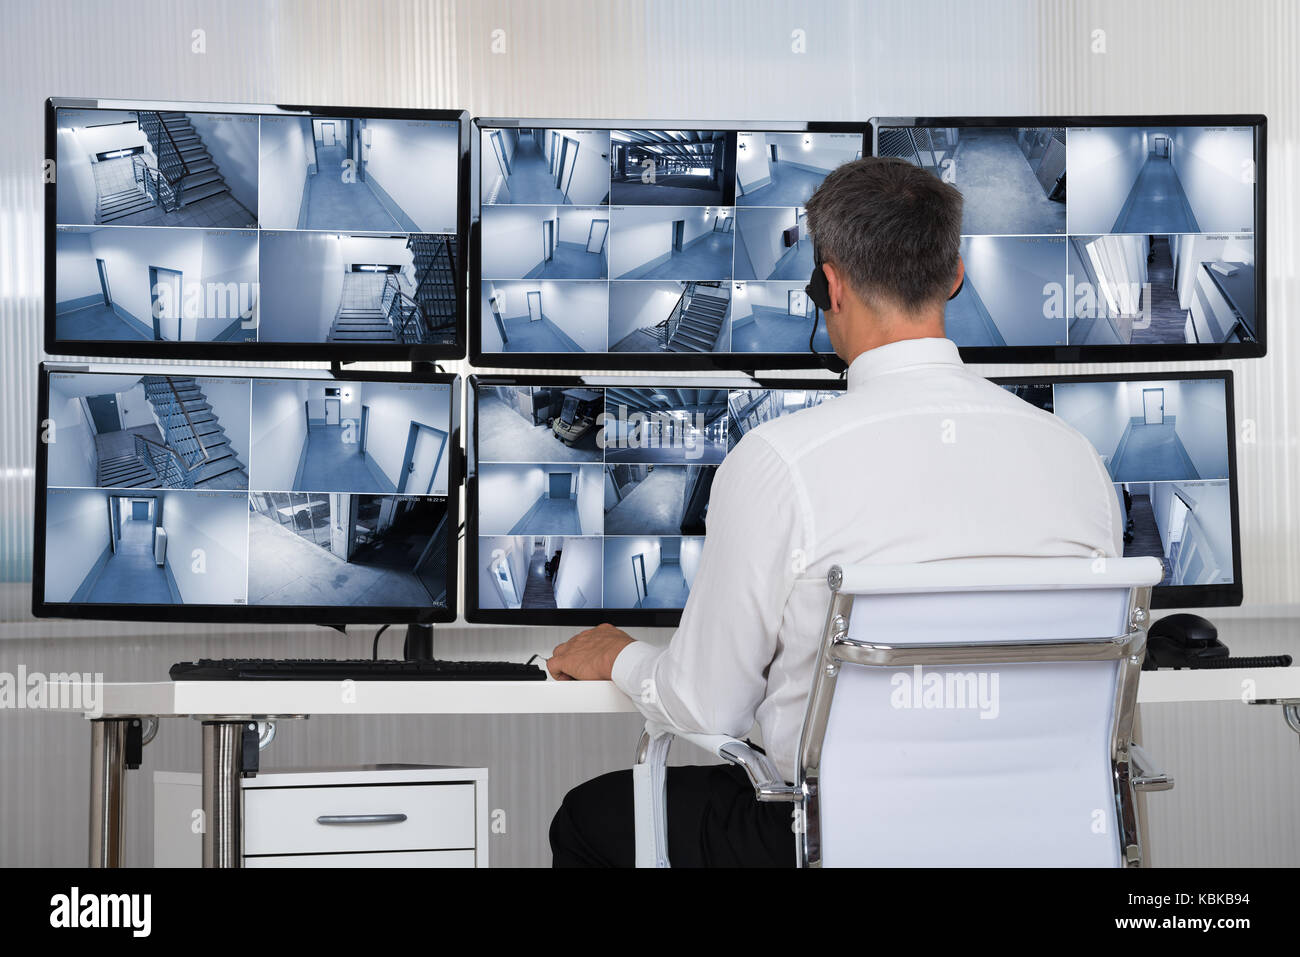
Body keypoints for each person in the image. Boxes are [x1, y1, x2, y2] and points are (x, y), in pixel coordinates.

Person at [546, 157, 1123, 867]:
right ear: (954, 276)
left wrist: (623, 656)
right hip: (1039, 841)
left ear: (829, 284)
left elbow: (706, 708)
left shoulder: (779, 461)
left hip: (837, 839)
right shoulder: (1078, 461)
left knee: (587, 816)